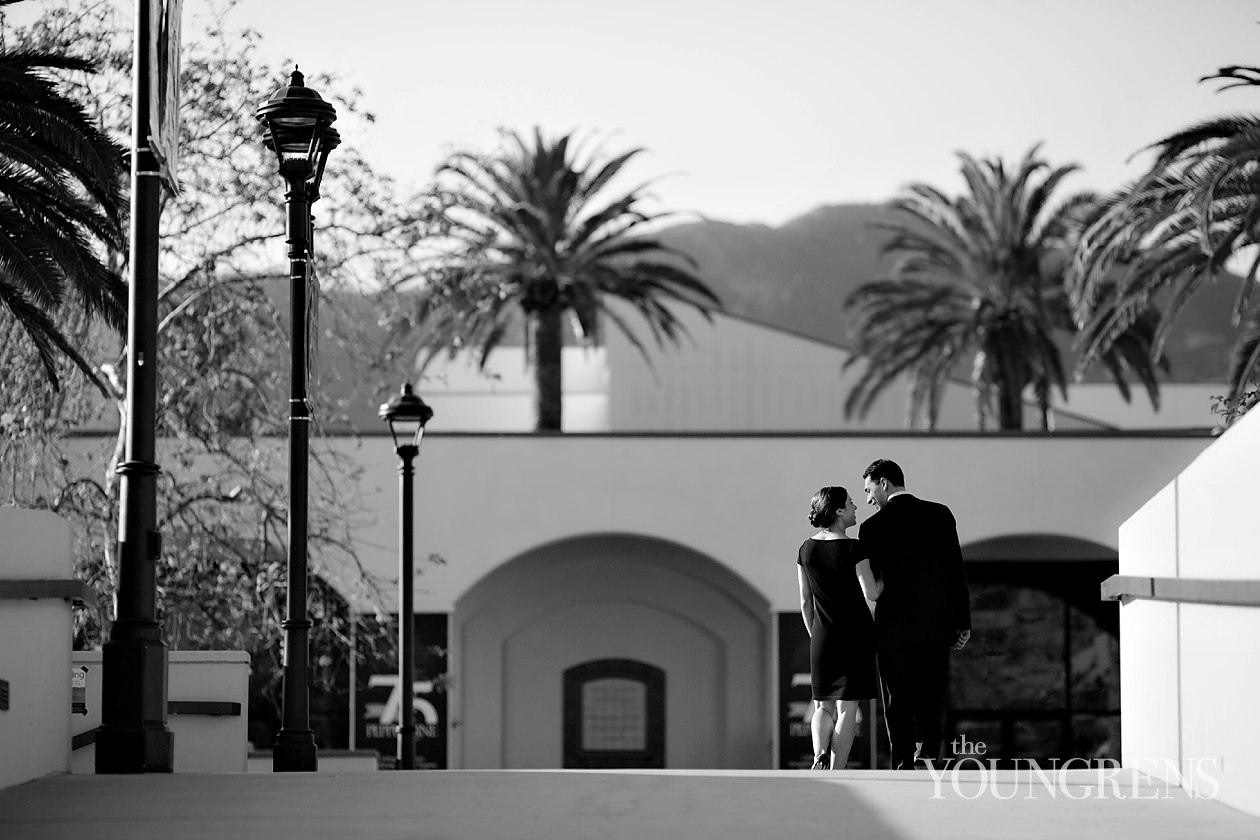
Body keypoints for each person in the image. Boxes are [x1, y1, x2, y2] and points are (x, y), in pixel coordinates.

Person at [858, 458, 971, 770]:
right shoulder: (940, 514)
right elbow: (955, 571)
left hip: (892, 628)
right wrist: (963, 622)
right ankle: (929, 757)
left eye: (869, 490)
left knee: (897, 700)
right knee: (932, 695)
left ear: (884, 483)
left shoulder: (871, 528)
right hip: (937, 625)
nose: (868, 499)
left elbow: (873, 583)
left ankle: (903, 760)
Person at [797, 486, 882, 770]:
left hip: (822, 637)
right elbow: (871, 592)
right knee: (848, 707)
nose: (856, 507)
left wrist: (815, 635)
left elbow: (805, 602)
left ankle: (819, 754)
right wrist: (887, 580)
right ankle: (837, 769)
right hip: (856, 636)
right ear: (838, 511)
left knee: (822, 704)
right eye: (851, 503)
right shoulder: (854, 547)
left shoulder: (806, 549)